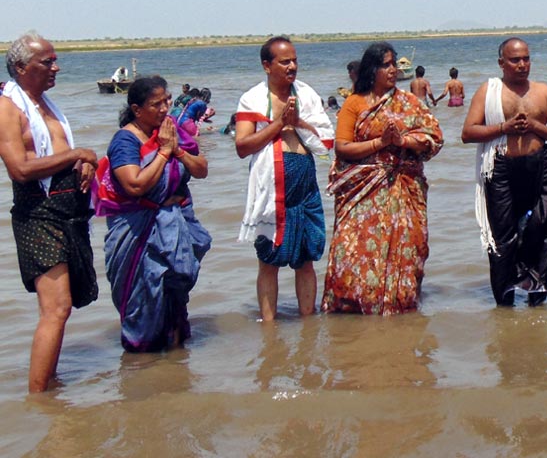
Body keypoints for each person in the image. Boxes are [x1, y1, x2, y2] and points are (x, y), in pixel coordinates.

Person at [0, 32, 99, 392]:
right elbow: (20, 168)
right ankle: (39, 394)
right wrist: (77, 155)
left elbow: (57, 155)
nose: (56, 67)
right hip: (38, 214)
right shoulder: (8, 107)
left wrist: (83, 165)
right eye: (48, 62)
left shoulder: (45, 105)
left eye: (56, 60)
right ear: (22, 67)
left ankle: (49, 388)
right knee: (55, 308)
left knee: (65, 306)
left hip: (67, 210)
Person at [321, 42, 443, 314]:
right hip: (363, 190)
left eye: (394, 63)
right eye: (386, 64)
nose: (393, 69)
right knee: (352, 250)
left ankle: (398, 309)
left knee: (407, 250)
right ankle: (353, 307)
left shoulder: (409, 102)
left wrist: (403, 140)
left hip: (404, 187)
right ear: (372, 69)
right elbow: (342, 147)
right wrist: (381, 142)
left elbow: (434, 138)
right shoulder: (354, 103)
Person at [95, 76, 211, 351]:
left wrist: (177, 151)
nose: (164, 108)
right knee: (143, 299)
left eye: (167, 101)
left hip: (176, 224)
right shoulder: (125, 141)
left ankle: (173, 369)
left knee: (174, 295)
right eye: (156, 104)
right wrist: (162, 153)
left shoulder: (173, 131)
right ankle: (140, 363)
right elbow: (134, 184)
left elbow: (202, 169)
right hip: (138, 232)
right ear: (137, 109)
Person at [461, 37, 547, 306]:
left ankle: (535, 294)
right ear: (501, 63)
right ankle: (505, 304)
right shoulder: (489, 91)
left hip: (540, 165)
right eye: (515, 60)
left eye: (526, 59)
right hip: (501, 168)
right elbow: (467, 132)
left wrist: (536, 126)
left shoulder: (543, 91)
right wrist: (503, 128)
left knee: (545, 226)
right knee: (503, 239)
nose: (522, 65)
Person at [235, 36, 335, 321]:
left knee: (306, 259)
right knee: (269, 260)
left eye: (294, 60)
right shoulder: (252, 98)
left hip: (305, 185)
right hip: (271, 188)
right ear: (267, 65)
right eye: (284, 61)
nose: (292, 66)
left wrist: (298, 122)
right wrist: (280, 123)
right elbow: (242, 147)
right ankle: (269, 328)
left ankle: (309, 323)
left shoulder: (307, 95)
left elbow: (325, 141)